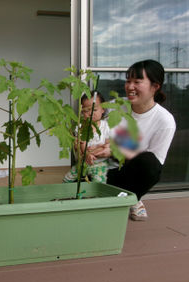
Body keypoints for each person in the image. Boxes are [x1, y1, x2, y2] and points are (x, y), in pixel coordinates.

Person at [106, 60, 176, 221]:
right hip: (101, 169)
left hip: (127, 174)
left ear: (155, 86)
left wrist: (115, 149)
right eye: (128, 81)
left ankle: (132, 198)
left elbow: (154, 165)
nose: (130, 87)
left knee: (149, 164)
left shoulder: (164, 121)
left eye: (137, 82)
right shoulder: (113, 106)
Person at [63, 91, 111, 183]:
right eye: (86, 110)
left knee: (99, 183)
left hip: (99, 163)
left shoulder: (106, 127)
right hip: (82, 162)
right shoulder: (81, 127)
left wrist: (94, 152)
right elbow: (81, 143)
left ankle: (98, 196)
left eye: (94, 110)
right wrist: (86, 154)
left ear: (103, 109)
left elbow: (107, 145)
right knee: (67, 179)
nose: (91, 113)